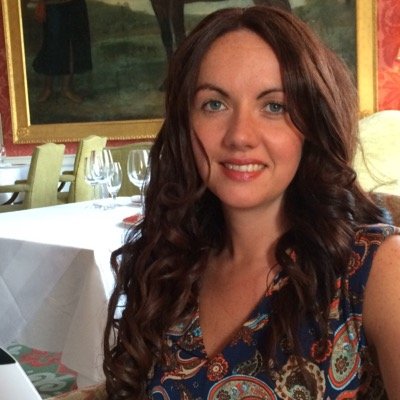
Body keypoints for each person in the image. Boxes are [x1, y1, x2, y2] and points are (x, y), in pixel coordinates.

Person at [103, 6, 400, 399]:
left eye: (274, 106)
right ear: (184, 125)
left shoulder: (376, 269)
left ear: (312, 125)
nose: (240, 136)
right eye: (214, 104)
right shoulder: (166, 265)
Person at [32, 0, 92, 103]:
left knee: (72, 43)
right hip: (53, 4)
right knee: (51, 43)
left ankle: (66, 88)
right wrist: (41, 3)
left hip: (75, 4)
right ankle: (47, 88)